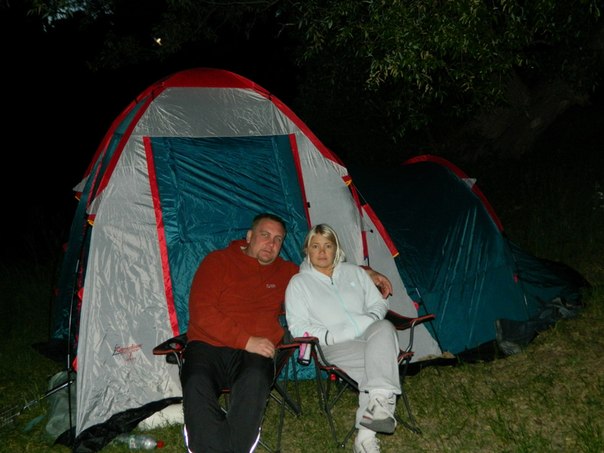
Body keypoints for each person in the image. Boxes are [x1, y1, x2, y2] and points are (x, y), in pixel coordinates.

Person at [181, 213, 393, 453]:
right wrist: (246, 340)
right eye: (265, 235)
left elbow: (323, 268)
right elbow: (202, 311)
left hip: (257, 351)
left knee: (255, 379)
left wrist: (367, 272)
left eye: (278, 239)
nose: (271, 244)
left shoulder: (287, 272)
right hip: (209, 345)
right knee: (196, 381)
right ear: (249, 236)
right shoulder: (217, 262)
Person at [285, 223, 401, 453]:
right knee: (380, 363)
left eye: (328, 246)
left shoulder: (354, 272)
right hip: (332, 345)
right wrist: (330, 336)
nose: (322, 252)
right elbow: (298, 327)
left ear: (336, 249)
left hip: (370, 334)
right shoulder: (298, 284)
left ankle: (376, 406)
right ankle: (366, 436)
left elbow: (379, 303)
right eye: (315, 246)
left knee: (385, 327)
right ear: (307, 250)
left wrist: (370, 318)